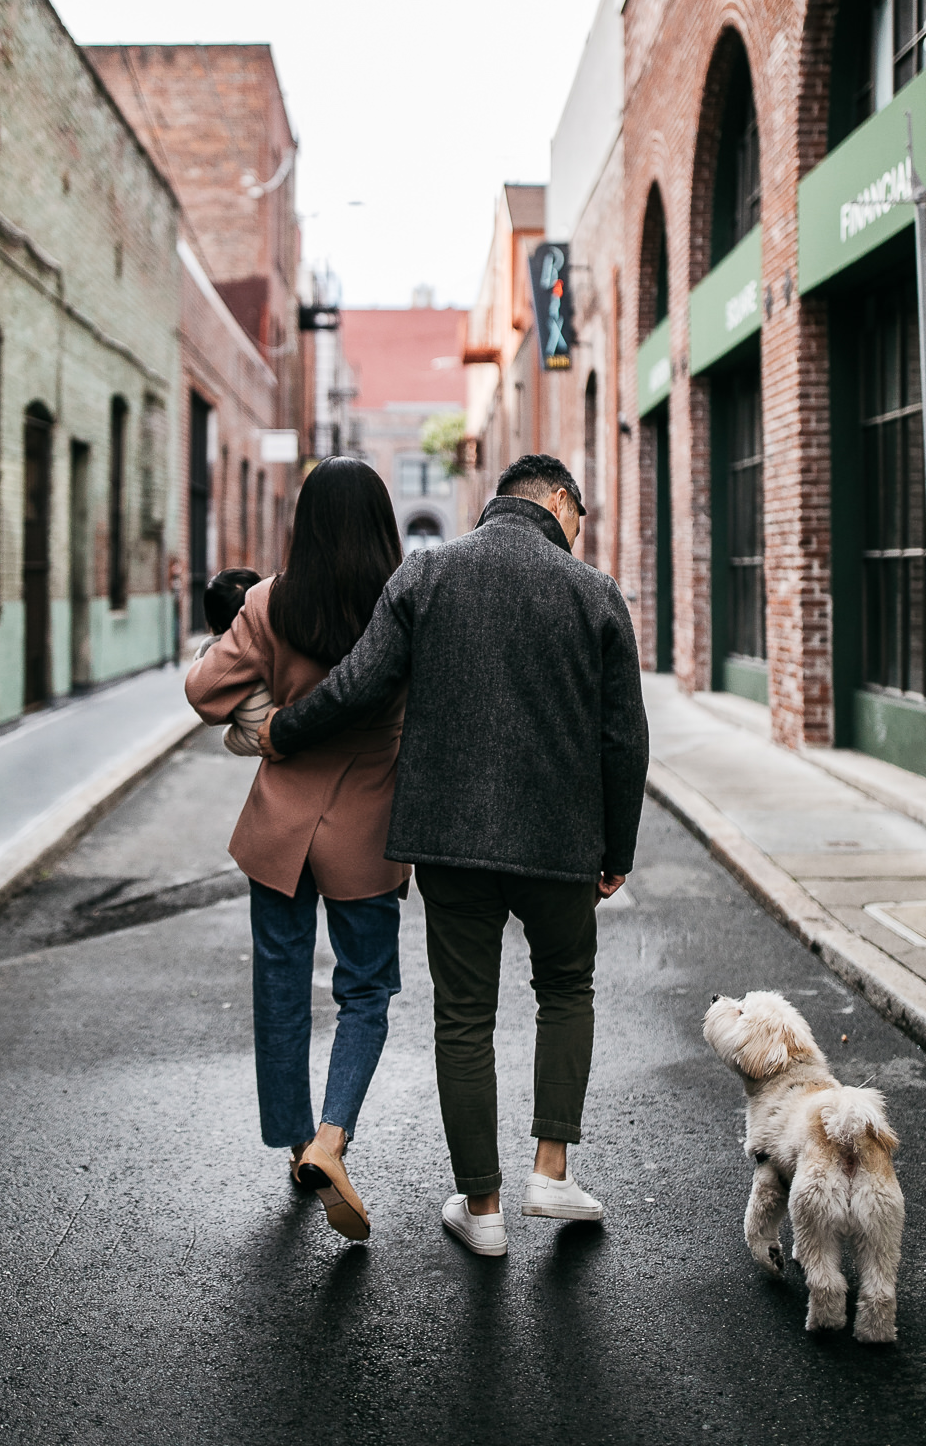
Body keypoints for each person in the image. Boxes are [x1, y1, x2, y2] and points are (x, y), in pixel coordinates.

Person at [260, 452, 649, 1258]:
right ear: (560, 501)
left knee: (464, 1017)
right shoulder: (595, 593)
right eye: (580, 517)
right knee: (565, 989)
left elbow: (359, 685)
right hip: (561, 842)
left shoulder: (427, 575)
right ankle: (551, 1170)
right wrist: (617, 849)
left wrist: (282, 730)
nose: (580, 532)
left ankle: (484, 1209)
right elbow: (624, 738)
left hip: (450, 842)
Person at [185, 457, 408, 1242]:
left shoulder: (270, 602)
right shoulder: (403, 601)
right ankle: (330, 1141)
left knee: (281, 984)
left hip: (279, 827)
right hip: (368, 830)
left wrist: (262, 702)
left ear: (303, 523)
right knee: (366, 990)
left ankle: (293, 1142)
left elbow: (203, 692)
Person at [193, 568, 272, 755]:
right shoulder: (269, 637)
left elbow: (198, 670)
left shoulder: (212, 647)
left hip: (255, 736)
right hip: (278, 719)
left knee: (228, 738)